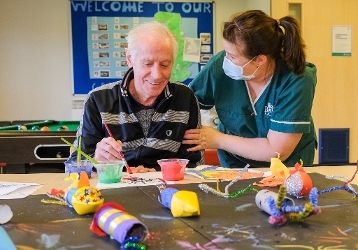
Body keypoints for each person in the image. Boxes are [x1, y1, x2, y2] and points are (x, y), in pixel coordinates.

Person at [183, 10, 317, 168]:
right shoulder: (219, 65)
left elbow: (277, 151)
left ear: (260, 59)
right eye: (226, 52)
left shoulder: (296, 78)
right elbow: (186, 105)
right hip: (234, 164)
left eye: (232, 56)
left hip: (285, 167)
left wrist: (217, 139)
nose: (226, 60)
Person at [68, 21, 203, 172]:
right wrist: (96, 161)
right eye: (147, 63)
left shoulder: (185, 98)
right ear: (129, 58)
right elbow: (74, 167)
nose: (157, 75)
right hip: (115, 190)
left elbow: (194, 165)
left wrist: (158, 174)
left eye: (165, 65)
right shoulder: (98, 100)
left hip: (167, 189)